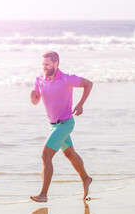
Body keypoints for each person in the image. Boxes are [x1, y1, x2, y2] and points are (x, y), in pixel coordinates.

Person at [30, 51, 93, 202]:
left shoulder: (67, 78)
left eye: (47, 64)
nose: (44, 67)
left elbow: (88, 84)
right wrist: (33, 97)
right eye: (43, 64)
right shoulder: (39, 79)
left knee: (46, 155)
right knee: (70, 154)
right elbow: (35, 101)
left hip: (65, 124)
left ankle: (44, 194)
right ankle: (86, 179)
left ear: (56, 63)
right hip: (52, 125)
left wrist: (80, 104)